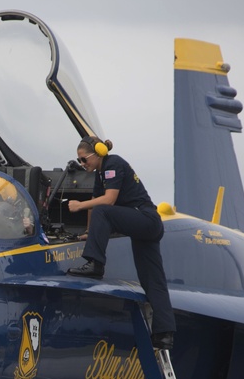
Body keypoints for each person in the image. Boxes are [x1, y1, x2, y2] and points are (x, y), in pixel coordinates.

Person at [66, 136, 176, 350]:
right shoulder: (99, 173)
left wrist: (78, 206)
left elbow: (107, 201)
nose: (82, 165)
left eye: (84, 159)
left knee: (103, 209)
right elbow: (94, 205)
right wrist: (90, 232)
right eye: (79, 161)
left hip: (145, 219)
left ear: (97, 152)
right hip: (143, 225)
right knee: (152, 280)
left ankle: (95, 264)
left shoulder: (113, 163)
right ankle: (164, 335)